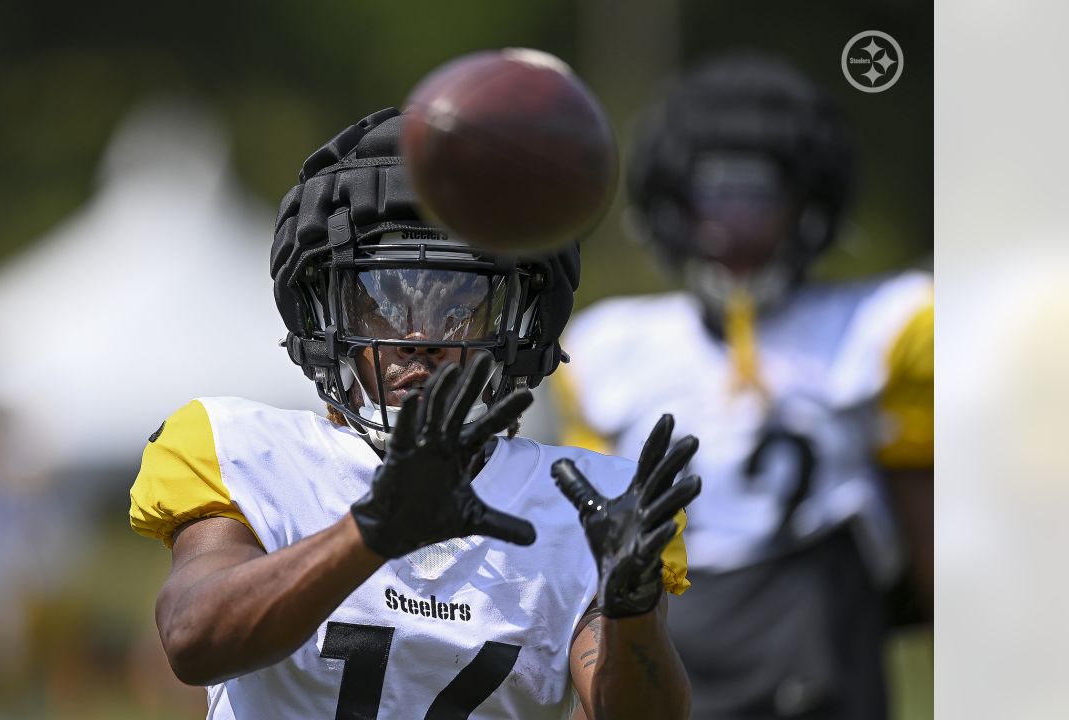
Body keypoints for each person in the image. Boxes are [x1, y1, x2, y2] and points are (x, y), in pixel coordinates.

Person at [128, 107, 702, 719]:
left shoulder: (583, 502)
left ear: (518, 327)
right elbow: (193, 641)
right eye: (383, 298)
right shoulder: (247, 453)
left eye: (461, 301)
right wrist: (373, 530)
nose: (420, 335)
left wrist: (631, 611)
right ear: (326, 317)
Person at [555, 55, 933, 720]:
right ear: (673, 205)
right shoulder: (606, 350)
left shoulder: (883, 330)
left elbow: (935, 531)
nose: (734, 228)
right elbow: (589, 559)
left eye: (760, 202)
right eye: (715, 201)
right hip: (671, 644)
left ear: (808, 205)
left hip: (823, 653)